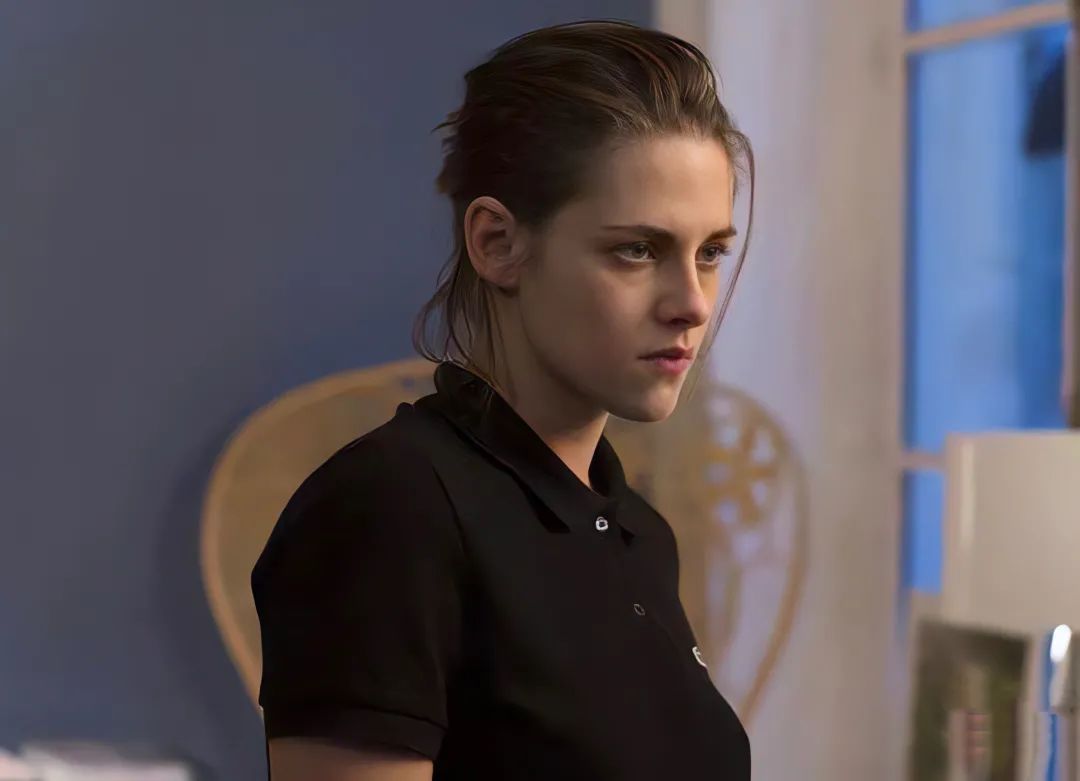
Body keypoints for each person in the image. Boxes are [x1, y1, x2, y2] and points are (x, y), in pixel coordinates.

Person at [252, 18, 755, 781]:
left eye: (710, 252)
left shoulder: (639, 535)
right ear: (496, 243)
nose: (692, 302)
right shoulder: (391, 509)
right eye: (637, 249)